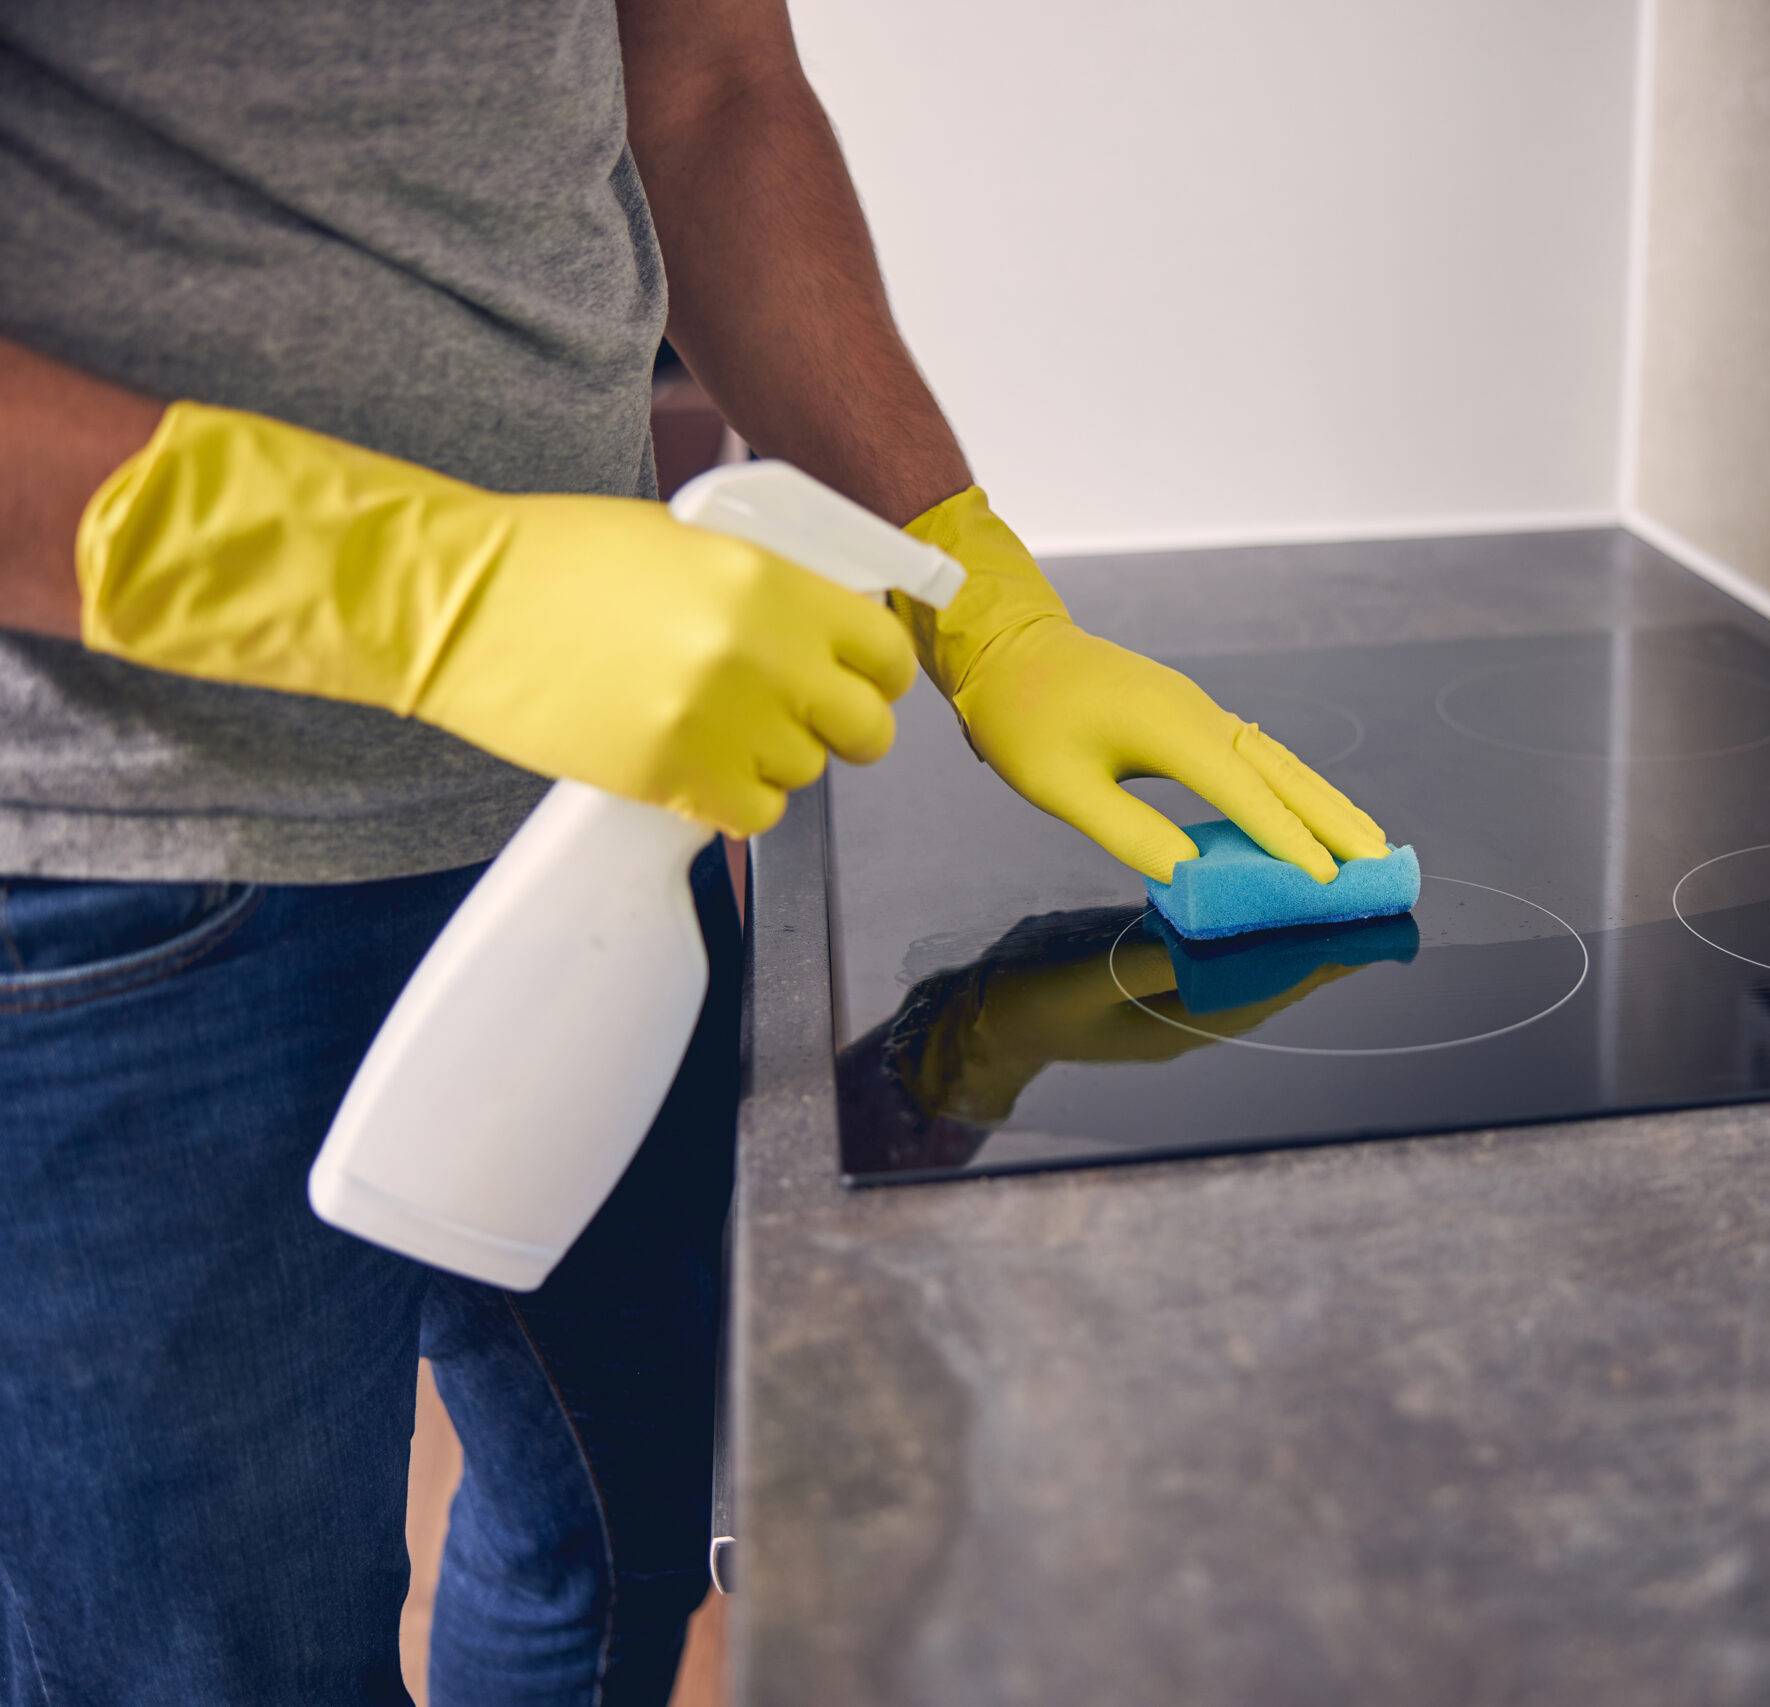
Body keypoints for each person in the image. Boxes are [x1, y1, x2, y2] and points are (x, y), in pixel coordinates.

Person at [0, 1, 1387, 1699]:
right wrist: (420, 589)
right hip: (116, 878)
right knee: (220, 1668)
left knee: (631, 1533)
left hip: (597, 814)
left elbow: (716, 83)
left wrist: (976, 593)